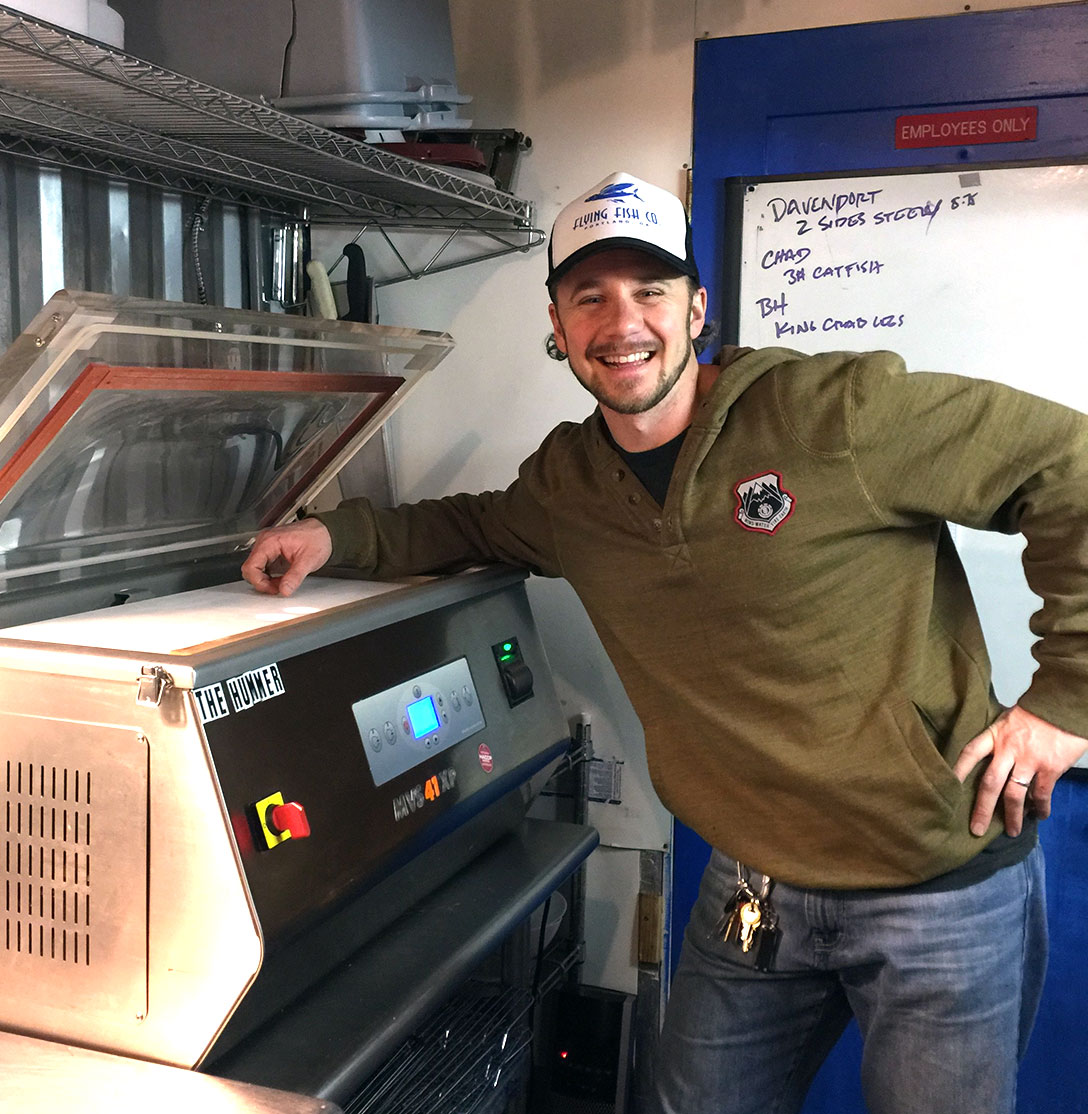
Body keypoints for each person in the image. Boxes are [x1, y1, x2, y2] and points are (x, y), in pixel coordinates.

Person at [242, 171, 1088, 1114]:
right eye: (590, 296)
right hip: (753, 887)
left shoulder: (833, 414)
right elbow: (472, 526)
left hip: (935, 886)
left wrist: (1067, 701)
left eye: (651, 291)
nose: (623, 321)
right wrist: (336, 537)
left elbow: (1071, 467)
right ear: (557, 325)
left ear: (698, 311)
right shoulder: (569, 485)